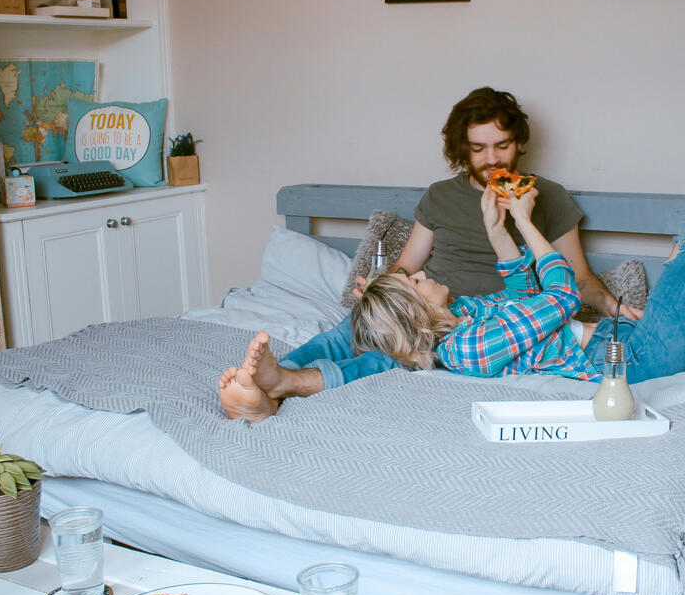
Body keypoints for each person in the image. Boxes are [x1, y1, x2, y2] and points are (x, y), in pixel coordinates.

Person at [351, 186, 685, 508]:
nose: (422, 274)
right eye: (415, 282)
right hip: (632, 361)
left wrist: (500, 232)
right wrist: (524, 221)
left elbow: (525, 295)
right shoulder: (468, 349)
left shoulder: (465, 313)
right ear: (414, 312)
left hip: (634, 340)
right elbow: (562, 296)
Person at [218, 87, 623, 418]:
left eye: (502, 146)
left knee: (391, 359)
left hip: (481, 322)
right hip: (425, 305)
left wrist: (611, 305)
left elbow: (578, 277)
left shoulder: (544, 196)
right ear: (461, 149)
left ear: (518, 143)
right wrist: (380, 289)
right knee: (349, 330)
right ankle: (271, 379)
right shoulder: (440, 196)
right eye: (478, 148)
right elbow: (406, 266)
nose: (492, 159)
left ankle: (287, 385)